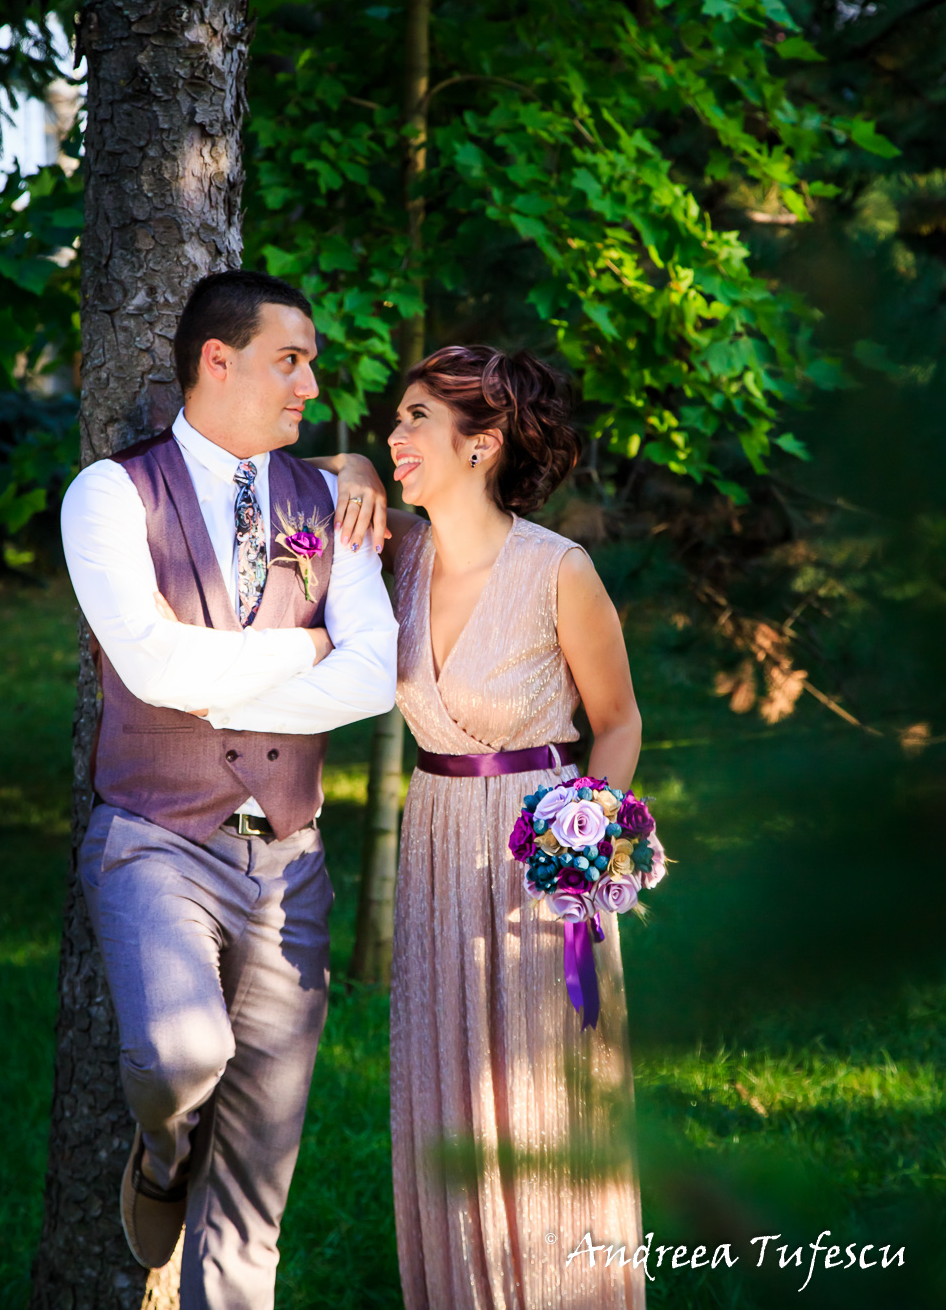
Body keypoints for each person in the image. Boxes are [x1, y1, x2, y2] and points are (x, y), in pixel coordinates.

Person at [60, 269, 397, 1310]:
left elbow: (376, 669)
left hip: (291, 865)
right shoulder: (112, 494)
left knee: (254, 1200)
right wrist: (308, 646)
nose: (309, 386)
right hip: (156, 841)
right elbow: (152, 668)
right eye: (289, 361)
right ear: (219, 358)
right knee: (177, 1052)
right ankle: (163, 1157)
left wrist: (234, 686)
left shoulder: (329, 499)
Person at [382, 345, 646, 1310]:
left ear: (482, 445)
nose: (395, 436)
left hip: (536, 851)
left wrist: (584, 843)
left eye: (416, 420)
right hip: (437, 839)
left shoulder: (555, 568)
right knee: (450, 1088)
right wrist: (364, 472)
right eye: (398, 418)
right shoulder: (397, 555)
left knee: (537, 1101)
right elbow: (308, 477)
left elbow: (617, 722)